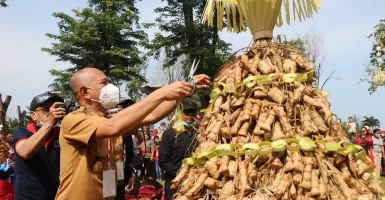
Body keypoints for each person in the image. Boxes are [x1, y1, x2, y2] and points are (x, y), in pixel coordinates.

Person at [55, 67, 210, 200]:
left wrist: (188, 88)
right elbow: (112, 127)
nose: (111, 87)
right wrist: (160, 93)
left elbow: (152, 115)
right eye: (104, 83)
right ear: (85, 92)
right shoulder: (74, 120)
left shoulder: (112, 119)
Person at [11, 92, 65, 200]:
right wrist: (49, 123)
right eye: (46, 109)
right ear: (33, 115)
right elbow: (25, 151)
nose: (52, 112)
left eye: (56, 108)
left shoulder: (61, 134)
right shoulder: (22, 132)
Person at [159, 99, 200, 200]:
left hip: (196, 183)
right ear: (180, 113)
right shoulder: (170, 134)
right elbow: (163, 160)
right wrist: (180, 175)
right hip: (175, 183)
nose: (190, 114)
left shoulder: (201, 134)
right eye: (187, 112)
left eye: (193, 112)